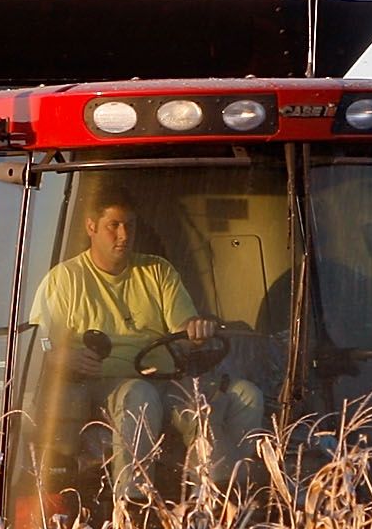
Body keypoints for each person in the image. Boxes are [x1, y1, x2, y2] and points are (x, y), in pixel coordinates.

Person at [32, 195, 262, 502]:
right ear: (91, 226)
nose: (124, 235)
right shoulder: (65, 280)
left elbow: (183, 327)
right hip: (99, 387)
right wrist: (63, 355)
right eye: (113, 225)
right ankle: (133, 503)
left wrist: (195, 330)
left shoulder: (157, 271)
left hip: (163, 380)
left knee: (246, 395)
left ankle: (227, 499)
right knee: (138, 394)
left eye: (130, 225)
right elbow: (38, 340)